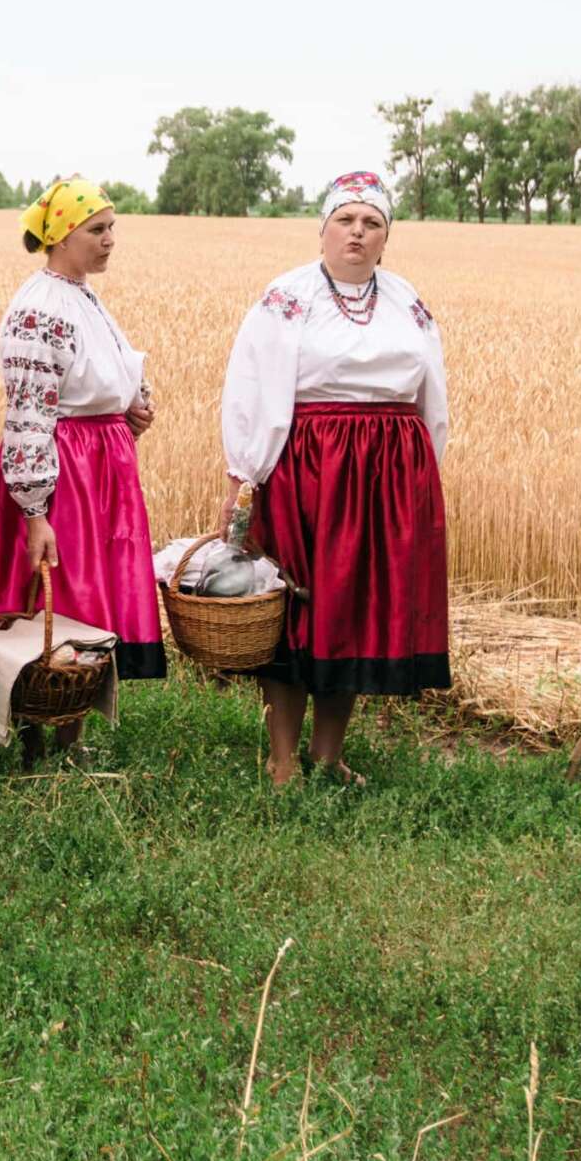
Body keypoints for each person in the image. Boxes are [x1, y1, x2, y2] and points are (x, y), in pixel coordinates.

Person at [219, 171, 450, 786]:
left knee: (354, 612)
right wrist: (243, 480)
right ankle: (283, 757)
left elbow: (434, 394)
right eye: (346, 220)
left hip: (390, 473)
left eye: (371, 223)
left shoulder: (408, 301)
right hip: (309, 466)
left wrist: (424, 471)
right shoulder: (287, 298)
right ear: (322, 228)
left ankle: (328, 752)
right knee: (296, 609)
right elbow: (251, 388)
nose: (358, 232)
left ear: (385, 238)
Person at [0, 179, 163, 759]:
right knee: (57, 595)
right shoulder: (39, 308)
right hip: (65, 471)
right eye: (97, 230)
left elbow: (100, 376)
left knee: (90, 594)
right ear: (60, 235)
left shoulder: (80, 294)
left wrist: (128, 409)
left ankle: (71, 732)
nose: (110, 241)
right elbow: (30, 413)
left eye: (113, 229)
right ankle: (38, 731)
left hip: (100, 464)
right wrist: (35, 505)